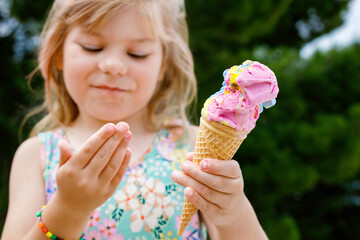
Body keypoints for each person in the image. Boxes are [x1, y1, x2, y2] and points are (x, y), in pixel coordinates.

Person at [1, 0, 268, 239]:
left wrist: (232, 211)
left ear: (164, 64)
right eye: (92, 47)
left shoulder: (190, 144)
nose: (113, 65)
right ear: (58, 54)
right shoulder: (36, 155)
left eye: (137, 53)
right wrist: (68, 209)